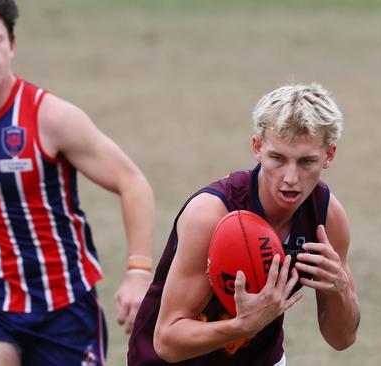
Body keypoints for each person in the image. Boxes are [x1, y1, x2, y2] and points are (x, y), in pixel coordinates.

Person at [0, 1, 155, 365]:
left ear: (12, 45)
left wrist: (137, 272)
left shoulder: (51, 117)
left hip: (65, 305)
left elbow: (132, 182)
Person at [127, 83, 361, 365]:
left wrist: (340, 290)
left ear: (329, 155)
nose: (290, 178)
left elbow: (342, 339)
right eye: (278, 158)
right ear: (257, 148)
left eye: (306, 162)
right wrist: (243, 326)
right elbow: (167, 340)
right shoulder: (210, 215)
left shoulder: (327, 218)